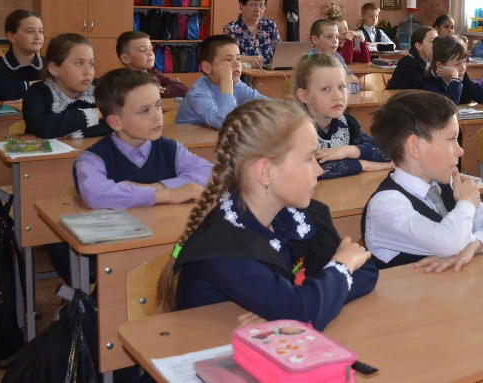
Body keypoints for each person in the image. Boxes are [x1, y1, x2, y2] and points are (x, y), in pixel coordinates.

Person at [157, 99, 379, 330]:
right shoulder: (224, 248)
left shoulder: (303, 215)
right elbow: (304, 312)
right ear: (266, 172)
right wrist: (340, 267)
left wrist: (294, 304)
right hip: (210, 347)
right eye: (308, 159)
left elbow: (366, 271)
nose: (319, 169)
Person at [362, 90, 483, 270]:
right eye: (451, 139)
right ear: (416, 147)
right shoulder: (385, 206)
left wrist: (476, 244)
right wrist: (467, 203)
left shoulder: (446, 186)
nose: (460, 151)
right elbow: (450, 244)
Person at [75, 68, 211, 209]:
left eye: (158, 106)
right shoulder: (92, 158)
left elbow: (211, 172)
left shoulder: (171, 149)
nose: (157, 116)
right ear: (115, 122)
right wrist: (166, 194)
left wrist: (157, 187)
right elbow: (95, 194)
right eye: (145, 111)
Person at [294, 53, 393, 180]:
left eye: (341, 87)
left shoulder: (347, 123)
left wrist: (347, 151)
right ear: (304, 96)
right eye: (325, 89)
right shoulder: (296, 130)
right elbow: (314, 169)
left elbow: (385, 151)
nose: (338, 96)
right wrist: (366, 165)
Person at [22, 33, 111, 139]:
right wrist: (97, 113)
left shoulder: (99, 89)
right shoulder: (37, 92)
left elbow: (115, 124)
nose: (88, 72)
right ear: (54, 69)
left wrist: (73, 133)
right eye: (79, 63)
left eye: (91, 64)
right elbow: (44, 128)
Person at [176, 35, 264, 129]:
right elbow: (224, 123)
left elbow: (266, 104)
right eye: (228, 59)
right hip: (188, 137)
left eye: (238, 59)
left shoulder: (237, 85)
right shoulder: (198, 93)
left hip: (215, 136)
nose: (237, 64)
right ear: (207, 68)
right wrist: (227, 83)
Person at [421, 36, 483, 114]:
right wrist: (454, 79)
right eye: (457, 64)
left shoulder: (463, 82)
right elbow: (448, 109)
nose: (463, 68)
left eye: (464, 62)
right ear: (439, 65)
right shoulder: (429, 85)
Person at [0, 9, 44, 101]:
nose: (38, 37)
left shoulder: (52, 64)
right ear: (11, 36)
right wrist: (37, 85)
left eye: (41, 31)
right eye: (30, 31)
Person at [115, 31, 189, 98]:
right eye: (143, 50)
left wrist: (159, 91)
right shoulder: (121, 83)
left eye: (150, 49)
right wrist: (153, 90)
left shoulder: (151, 72)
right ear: (125, 58)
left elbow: (183, 88)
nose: (150, 53)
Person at [222, 0, 281, 69]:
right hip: (242, 74)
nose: (258, 9)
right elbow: (228, 56)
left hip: (269, 73)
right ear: (241, 5)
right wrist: (249, 59)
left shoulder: (270, 26)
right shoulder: (231, 28)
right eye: (253, 5)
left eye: (262, 5)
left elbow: (279, 52)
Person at [386, 26, 437, 90]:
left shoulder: (429, 62)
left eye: (437, 41)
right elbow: (423, 90)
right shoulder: (409, 64)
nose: (437, 44)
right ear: (418, 46)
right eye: (432, 41)